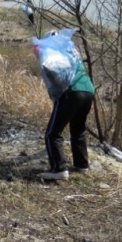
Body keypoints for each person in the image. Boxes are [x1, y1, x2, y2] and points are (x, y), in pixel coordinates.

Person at [32, 31, 95, 180]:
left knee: (52, 133)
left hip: (70, 93)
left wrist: (39, 52)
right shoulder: (71, 50)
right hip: (88, 91)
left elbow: (52, 71)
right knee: (78, 129)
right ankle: (82, 165)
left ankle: (58, 169)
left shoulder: (52, 54)